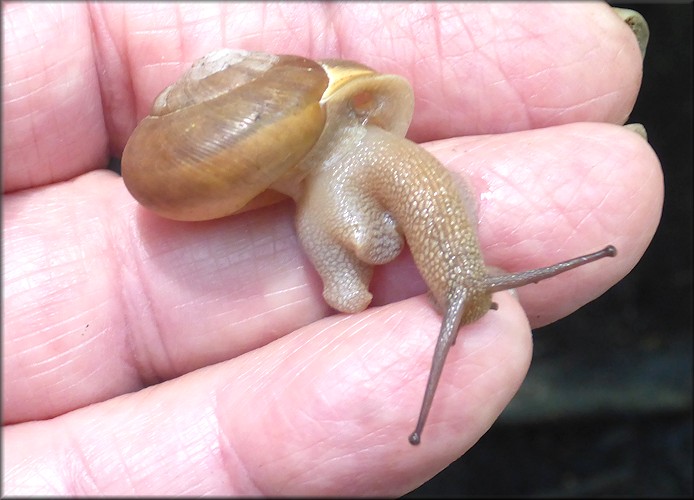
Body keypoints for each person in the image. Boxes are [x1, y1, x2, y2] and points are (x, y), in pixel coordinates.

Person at [2, 2, 661, 496]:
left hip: (326, 140)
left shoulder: (338, 133)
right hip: (318, 143)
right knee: (375, 215)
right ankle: (458, 279)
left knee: (390, 200)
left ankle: (460, 278)